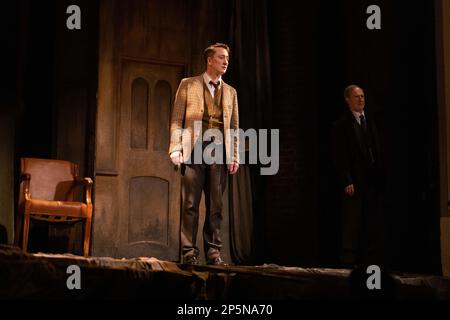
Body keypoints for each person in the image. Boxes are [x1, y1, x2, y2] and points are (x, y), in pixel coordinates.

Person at [169, 43, 239, 265]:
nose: (225, 61)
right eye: (221, 57)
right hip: (194, 149)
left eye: (227, 58)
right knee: (190, 204)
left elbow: (235, 127)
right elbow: (176, 119)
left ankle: (213, 253)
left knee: (216, 206)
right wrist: (175, 147)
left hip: (219, 151)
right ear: (209, 60)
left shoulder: (230, 92)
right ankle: (188, 253)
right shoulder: (188, 85)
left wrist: (235, 155)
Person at [331, 85, 385, 269]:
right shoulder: (342, 125)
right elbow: (340, 156)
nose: (361, 99)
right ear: (348, 99)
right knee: (351, 223)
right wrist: (347, 180)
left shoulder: (371, 122)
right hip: (355, 182)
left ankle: (370, 263)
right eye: (357, 96)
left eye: (362, 96)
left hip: (372, 182)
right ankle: (348, 263)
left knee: (371, 224)